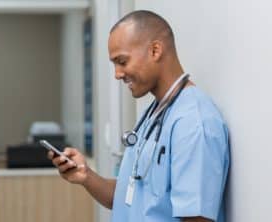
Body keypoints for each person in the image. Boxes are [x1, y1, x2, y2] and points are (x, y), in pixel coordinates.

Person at [48, 10, 229, 222]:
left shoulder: (194, 123)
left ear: (155, 51)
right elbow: (131, 199)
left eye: (122, 62)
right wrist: (86, 176)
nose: (117, 74)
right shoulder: (153, 114)